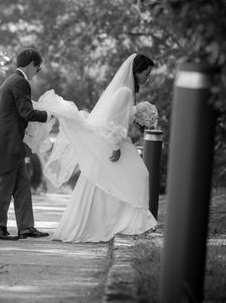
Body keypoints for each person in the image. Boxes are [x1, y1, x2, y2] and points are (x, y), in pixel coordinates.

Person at [25, 53, 158, 242]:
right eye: (147, 73)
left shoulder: (127, 91)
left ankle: (127, 223)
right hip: (113, 143)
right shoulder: (124, 93)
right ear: (136, 72)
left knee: (108, 182)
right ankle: (131, 223)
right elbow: (110, 121)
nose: (148, 77)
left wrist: (137, 114)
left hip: (118, 141)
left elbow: (120, 118)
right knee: (138, 176)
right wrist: (115, 146)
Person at [0, 47, 51, 241]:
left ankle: (26, 227)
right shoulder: (20, 82)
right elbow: (27, 112)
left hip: (9, 140)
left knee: (22, 185)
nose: (36, 74)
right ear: (32, 64)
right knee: (4, 186)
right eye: (37, 69)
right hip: (7, 141)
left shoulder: (11, 80)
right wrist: (48, 114)